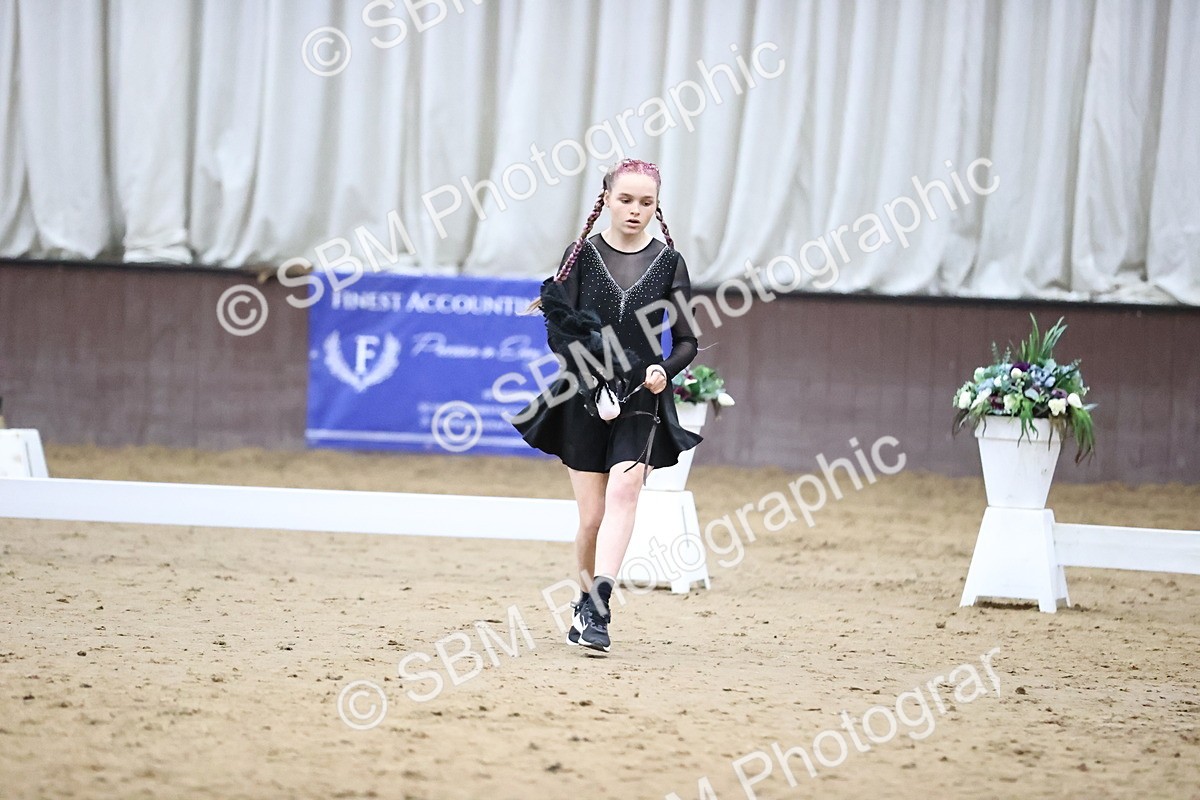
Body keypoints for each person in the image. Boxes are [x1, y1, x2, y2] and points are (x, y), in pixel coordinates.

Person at [512, 158, 701, 654]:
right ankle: (583, 600)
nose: (636, 210)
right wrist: (594, 379)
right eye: (626, 199)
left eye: (646, 202)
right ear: (607, 199)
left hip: (641, 396)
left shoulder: (670, 263)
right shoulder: (581, 255)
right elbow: (559, 329)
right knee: (592, 517)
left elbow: (686, 341)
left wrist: (664, 370)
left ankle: (599, 607)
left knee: (625, 492)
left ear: (657, 207)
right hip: (584, 393)